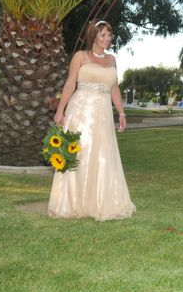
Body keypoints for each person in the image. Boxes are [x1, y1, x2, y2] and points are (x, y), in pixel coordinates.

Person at [48, 20, 136, 221]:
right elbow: (70, 84)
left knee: (102, 155)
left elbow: (114, 88)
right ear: (94, 36)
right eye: (103, 35)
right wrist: (60, 111)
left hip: (103, 113)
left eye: (109, 35)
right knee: (80, 154)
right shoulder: (81, 56)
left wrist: (121, 113)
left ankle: (99, 202)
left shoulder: (112, 60)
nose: (107, 39)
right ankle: (71, 203)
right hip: (80, 110)